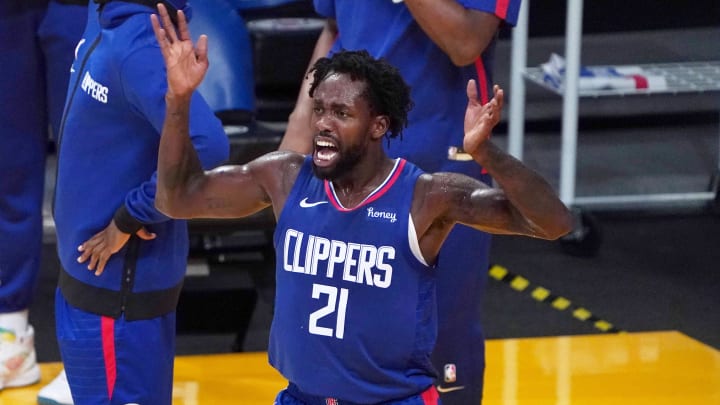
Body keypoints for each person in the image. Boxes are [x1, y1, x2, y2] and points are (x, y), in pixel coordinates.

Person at [150, 5, 569, 404]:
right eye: (319, 111)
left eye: (341, 113)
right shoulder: (285, 177)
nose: (323, 125)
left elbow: (553, 223)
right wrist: (178, 101)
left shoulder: (427, 196)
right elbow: (177, 198)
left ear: (378, 126)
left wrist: (487, 155)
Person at [279, 1, 521, 403]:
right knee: (341, 330)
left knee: (440, 336)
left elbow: (466, 41)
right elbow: (334, 29)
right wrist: (297, 130)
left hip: (437, 160)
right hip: (351, 158)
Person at [50, 0, 229, 403]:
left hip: (117, 299)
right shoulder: (102, 15)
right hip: (84, 282)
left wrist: (133, 213)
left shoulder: (142, 43)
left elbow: (208, 144)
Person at [0, 0, 86, 399]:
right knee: (7, 167)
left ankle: (96, 355)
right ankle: (9, 335)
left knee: (94, 169)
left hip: (90, 7)